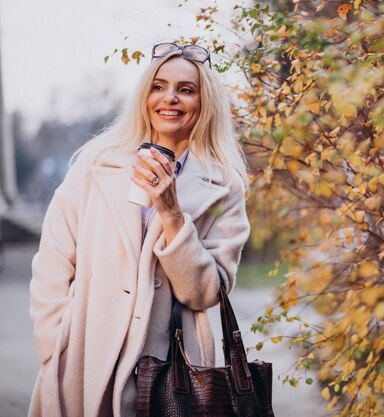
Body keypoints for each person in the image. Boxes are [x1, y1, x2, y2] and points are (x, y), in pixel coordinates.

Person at [28, 43, 250, 417]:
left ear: (204, 101)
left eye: (186, 89)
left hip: (170, 369)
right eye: (158, 86)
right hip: (84, 355)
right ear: (144, 94)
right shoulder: (97, 164)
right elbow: (53, 259)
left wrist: (172, 214)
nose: (170, 99)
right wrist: (55, 341)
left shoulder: (224, 185)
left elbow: (206, 293)